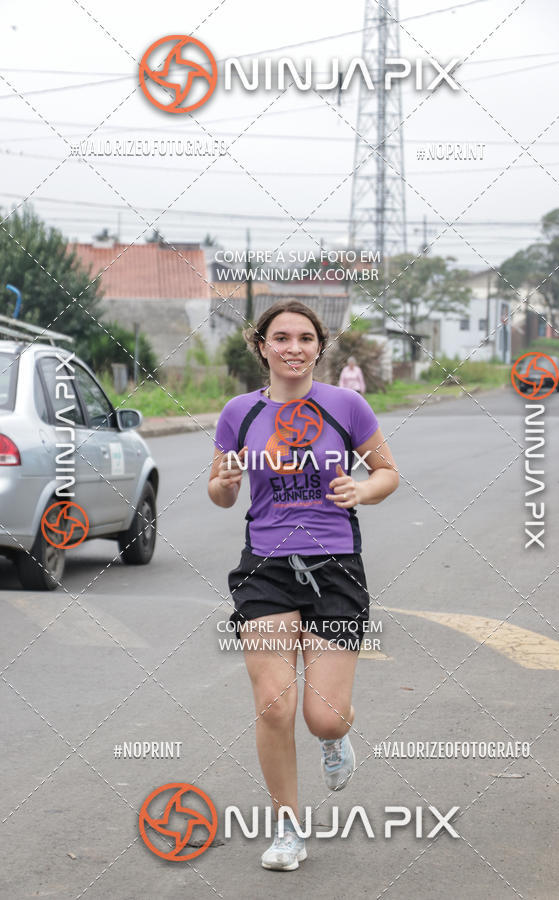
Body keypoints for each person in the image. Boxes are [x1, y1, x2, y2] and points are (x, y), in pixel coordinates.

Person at [208, 299, 398, 871]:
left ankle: (336, 739)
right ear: (261, 345)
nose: (294, 348)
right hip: (265, 566)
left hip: (335, 567)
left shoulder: (347, 406)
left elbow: (387, 471)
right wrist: (227, 479)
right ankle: (287, 828)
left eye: (306, 339)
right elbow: (220, 495)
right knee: (273, 705)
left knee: (323, 716)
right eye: (282, 338)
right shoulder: (238, 413)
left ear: (320, 347)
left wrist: (362, 491)